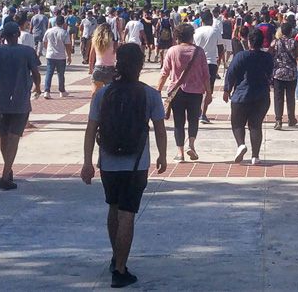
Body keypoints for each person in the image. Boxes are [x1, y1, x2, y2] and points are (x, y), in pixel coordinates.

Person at [81, 43, 168, 289]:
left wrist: (87, 162)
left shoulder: (103, 93)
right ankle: (120, 269)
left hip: (108, 161)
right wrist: (162, 155)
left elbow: (91, 130)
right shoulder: (149, 94)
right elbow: (160, 129)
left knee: (114, 207)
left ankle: (115, 256)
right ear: (140, 65)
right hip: (136, 162)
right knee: (127, 214)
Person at [0, 21, 41, 190]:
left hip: (0, 101)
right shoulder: (27, 51)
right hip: (20, 101)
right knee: (14, 138)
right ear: (17, 35)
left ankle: (7, 169)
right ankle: (5, 174)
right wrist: (37, 87)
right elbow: (36, 73)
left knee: (4, 138)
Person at [158, 23, 209, 162]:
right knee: (193, 119)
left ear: (177, 37)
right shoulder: (199, 52)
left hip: (177, 91)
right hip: (196, 91)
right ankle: (191, 145)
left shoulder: (172, 51)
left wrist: (158, 89)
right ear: (192, 36)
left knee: (178, 122)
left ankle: (180, 153)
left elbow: (164, 73)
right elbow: (206, 74)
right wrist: (209, 93)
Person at [224, 28, 273, 165]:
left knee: (237, 123)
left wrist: (227, 90)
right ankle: (255, 156)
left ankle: (241, 144)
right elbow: (270, 74)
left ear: (249, 41)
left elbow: (231, 72)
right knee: (256, 125)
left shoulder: (241, 56)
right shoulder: (267, 57)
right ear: (262, 41)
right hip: (261, 95)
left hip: (241, 95)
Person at [193, 10, 224, 125]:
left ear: (201, 20)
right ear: (211, 20)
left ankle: (197, 111)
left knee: (197, 88)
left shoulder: (196, 32)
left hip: (197, 62)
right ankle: (203, 113)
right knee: (208, 89)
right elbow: (220, 48)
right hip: (211, 62)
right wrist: (219, 60)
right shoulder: (215, 31)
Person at [270, 22, 298, 129]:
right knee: (290, 97)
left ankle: (278, 120)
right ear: (291, 31)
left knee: (278, 98)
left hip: (278, 73)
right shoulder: (295, 43)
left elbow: (270, 54)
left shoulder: (275, 42)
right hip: (291, 73)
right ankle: (291, 118)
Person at [42, 15, 73, 98]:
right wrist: (69, 56)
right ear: (63, 23)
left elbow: (44, 42)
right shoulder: (64, 32)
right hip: (61, 56)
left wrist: (47, 49)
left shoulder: (49, 31)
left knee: (49, 73)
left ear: (55, 22)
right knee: (61, 74)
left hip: (50, 55)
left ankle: (46, 91)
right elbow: (67, 45)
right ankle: (62, 90)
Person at [89, 22, 117, 93]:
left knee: (95, 93)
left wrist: (90, 68)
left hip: (98, 67)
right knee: (110, 94)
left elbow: (91, 57)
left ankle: (95, 104)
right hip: (111, 68)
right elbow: (117, 57)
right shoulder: (114, 43)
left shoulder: (95, 42)